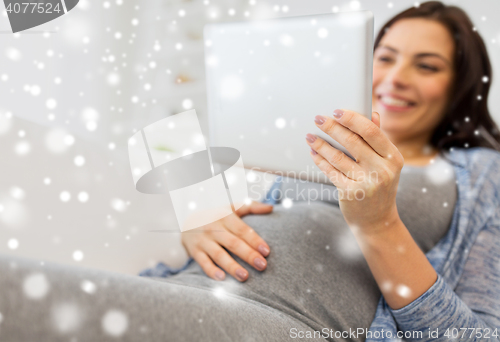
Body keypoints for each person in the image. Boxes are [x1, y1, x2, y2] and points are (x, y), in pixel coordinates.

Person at [1, 2, 499, 341]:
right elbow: (161, 136)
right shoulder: (302, 143)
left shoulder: (482, 177)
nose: (394, 77)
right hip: (179, 290)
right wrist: (195, 214)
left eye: (427, 65)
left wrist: (378, 223)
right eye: (385, 56)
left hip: (281, 322)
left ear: (460, 86)